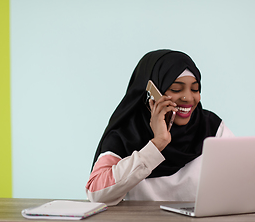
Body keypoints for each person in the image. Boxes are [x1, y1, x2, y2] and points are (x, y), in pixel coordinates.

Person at [86, 49, 234, 206]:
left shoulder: (211, 128)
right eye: (176, 89)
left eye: (195, 89)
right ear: (151, 94)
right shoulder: (126, 134)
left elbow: (241, 179)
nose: (188, 98)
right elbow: (96, 194)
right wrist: (157, 145)